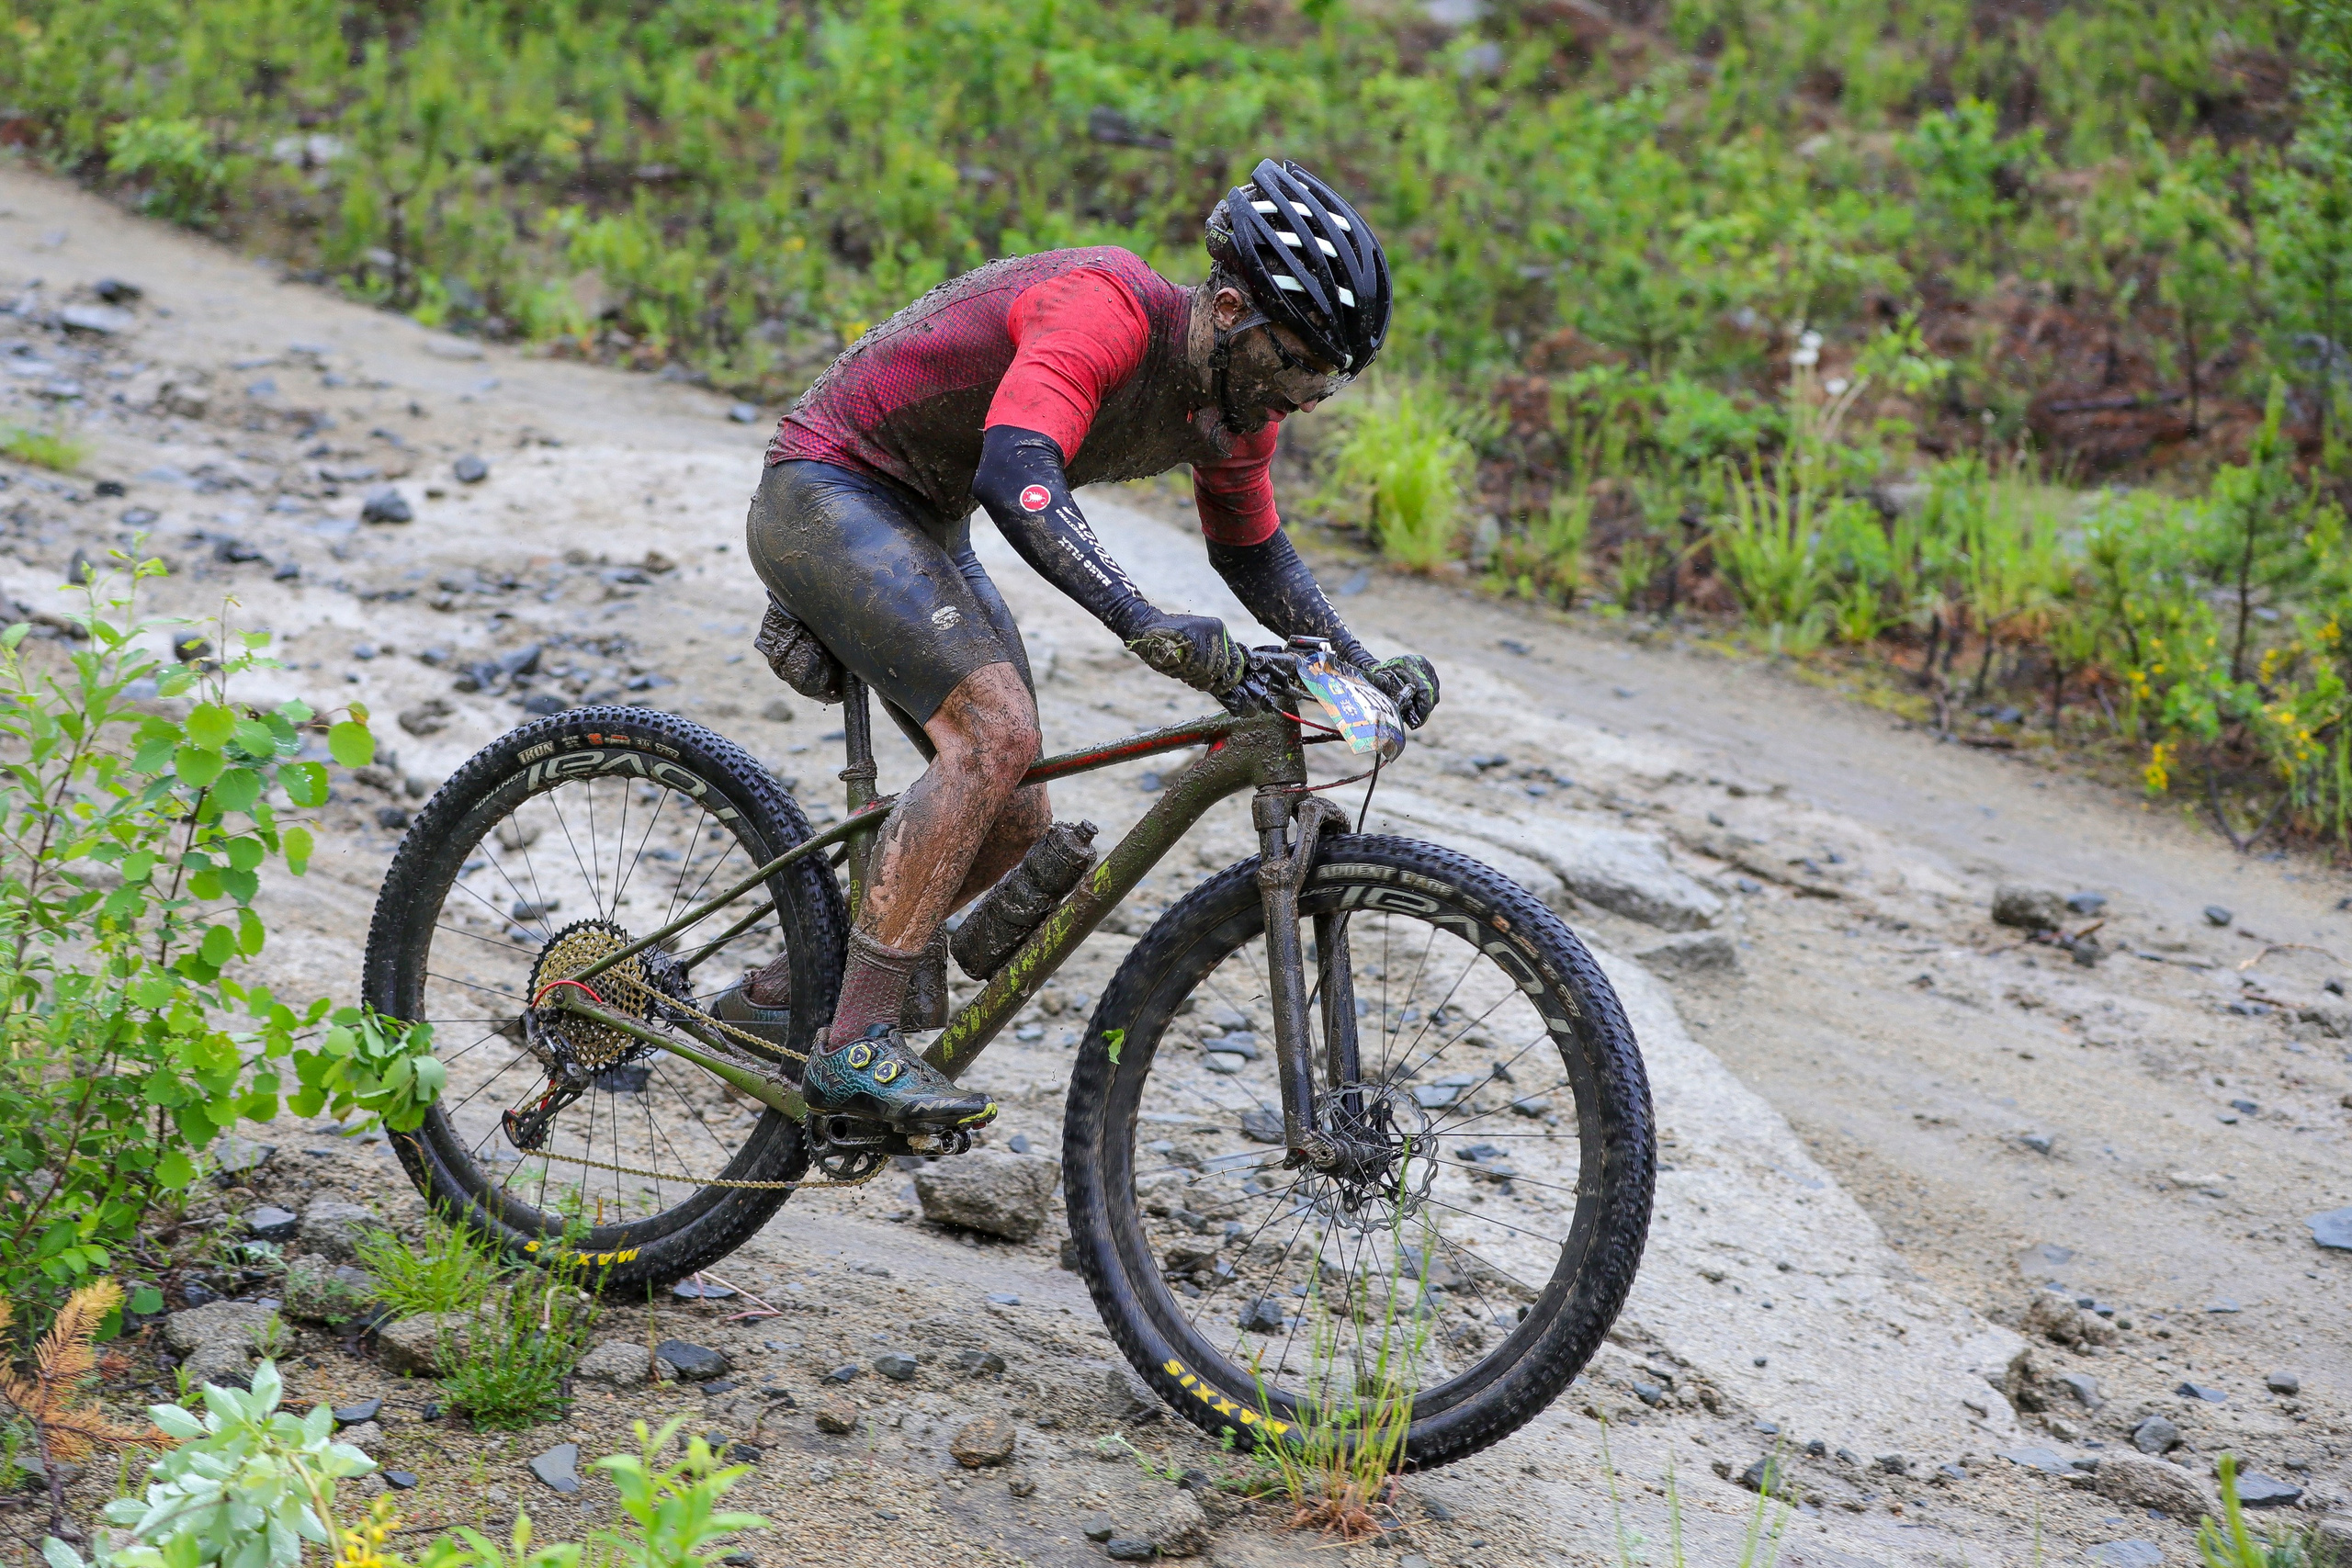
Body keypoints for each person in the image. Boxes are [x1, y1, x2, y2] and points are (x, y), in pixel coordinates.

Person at [727, 158, 1442, 1131]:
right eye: (1296, 361)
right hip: (830, 489)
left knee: (1016, 816)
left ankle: (784, 993)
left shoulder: (1239, 404)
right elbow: (1020, 474)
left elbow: (1255, 557)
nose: (1307, 395)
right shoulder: (1102, 307)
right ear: (1229, 307)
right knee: (993, 735)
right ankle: (852, 1043)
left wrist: (1359, 663)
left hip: (923, 523)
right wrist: (1143, 620)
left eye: (1328, 376)